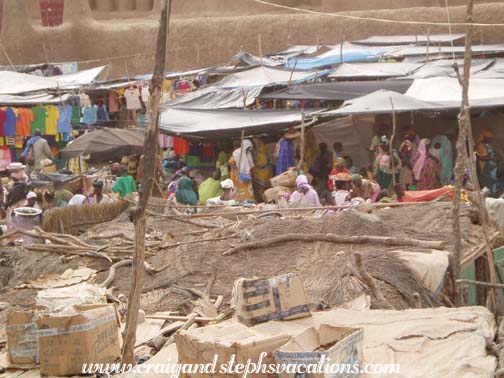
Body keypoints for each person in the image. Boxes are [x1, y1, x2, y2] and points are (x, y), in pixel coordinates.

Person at [476, 131, 498, 195]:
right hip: (485, 170)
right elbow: (480, 157)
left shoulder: (488, 145)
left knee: (492, 185)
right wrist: (492, 158)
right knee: (486, 186)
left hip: (491, 170)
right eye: (489, 138)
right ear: (484, 138)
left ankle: (492, 198)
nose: (490, 140)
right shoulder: (480, 145)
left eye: (491, 138)